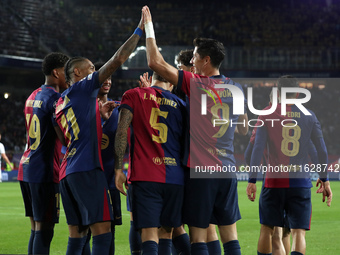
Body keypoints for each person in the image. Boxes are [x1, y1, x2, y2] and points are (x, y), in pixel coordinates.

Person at [141, 6, 248, 255]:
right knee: (230, 235)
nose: (192, 62)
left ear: (206, 60)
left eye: (195, 57)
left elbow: (154, 61)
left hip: (201, 171)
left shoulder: (195, 83)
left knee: (198, 236)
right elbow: (243, 129)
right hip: (228, 169)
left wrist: (148, 26)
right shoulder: (236, 88)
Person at [55, 13, 145, 255]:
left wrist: (97, 115)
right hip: (87, 169)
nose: (96, 72)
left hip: (67, 172)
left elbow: (64, 136)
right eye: (91, 69)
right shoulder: (84, 88)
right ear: (77, 74)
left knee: (77, 233)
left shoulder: (60, 102)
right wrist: (139, 30)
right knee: (102, 229)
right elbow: (119, 58)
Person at [246, 75, 333, 255]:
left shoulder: (266, 113)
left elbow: (257, 149)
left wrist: (252, 180)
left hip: (273, 182)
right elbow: (321, 151)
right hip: (300, 182)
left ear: (278, 92)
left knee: (267, 229)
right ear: (298, 93)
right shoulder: (309, 115)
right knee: (298, 233)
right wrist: (324, 179)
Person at [114, 71, 186, 255]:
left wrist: (118, 169)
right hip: (175, 178)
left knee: (149, 234)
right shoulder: (181, 105)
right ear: (172, 84)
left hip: (144, 176)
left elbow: (121, 131)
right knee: (167, 233)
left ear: (153, 79)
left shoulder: (133, 94)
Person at [17, 52, 70, 254]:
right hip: (45, 171)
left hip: (26, 167)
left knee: (36, 229)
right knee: (45, 230)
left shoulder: (32, 96)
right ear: (56, 73)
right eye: (67, 72)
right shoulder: (56, 99)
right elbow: (64, 137)